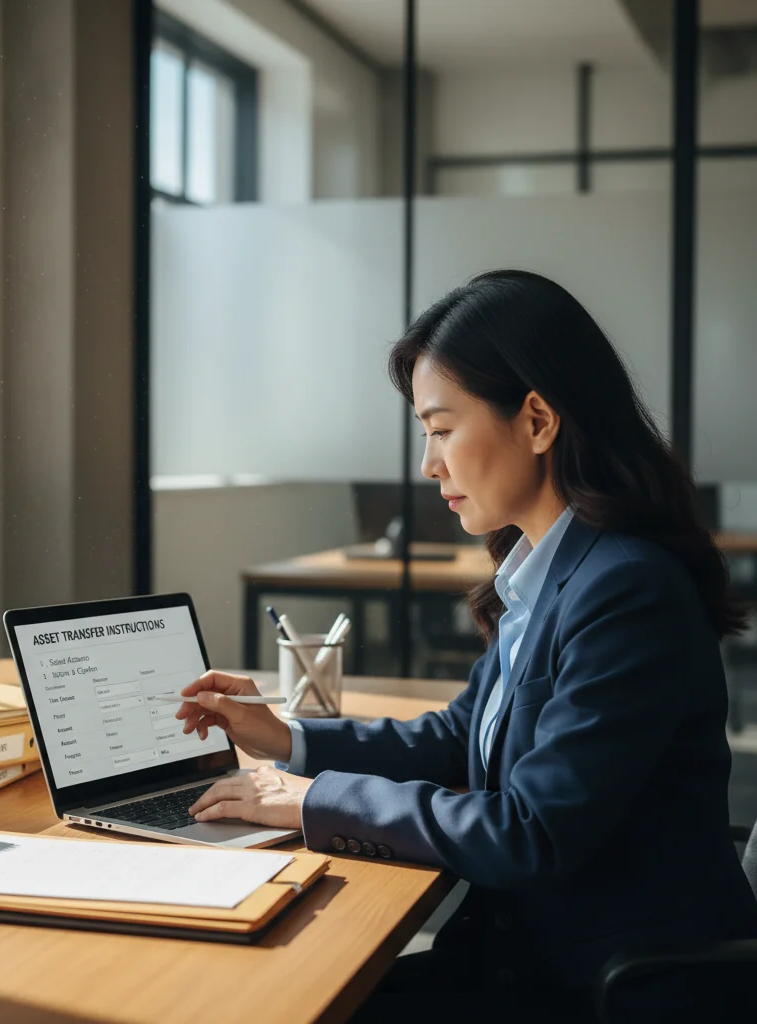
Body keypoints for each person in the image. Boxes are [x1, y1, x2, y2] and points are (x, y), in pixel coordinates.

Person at [175, 270, 757, 1020]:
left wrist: (311, 800)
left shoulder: (625, 590)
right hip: (522, 960)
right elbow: (460, 738)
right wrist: (286, 739)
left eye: (443, 429)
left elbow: (529, 830)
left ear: (538, 421)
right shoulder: (547, 572)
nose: (429, 465)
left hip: (598, 989)